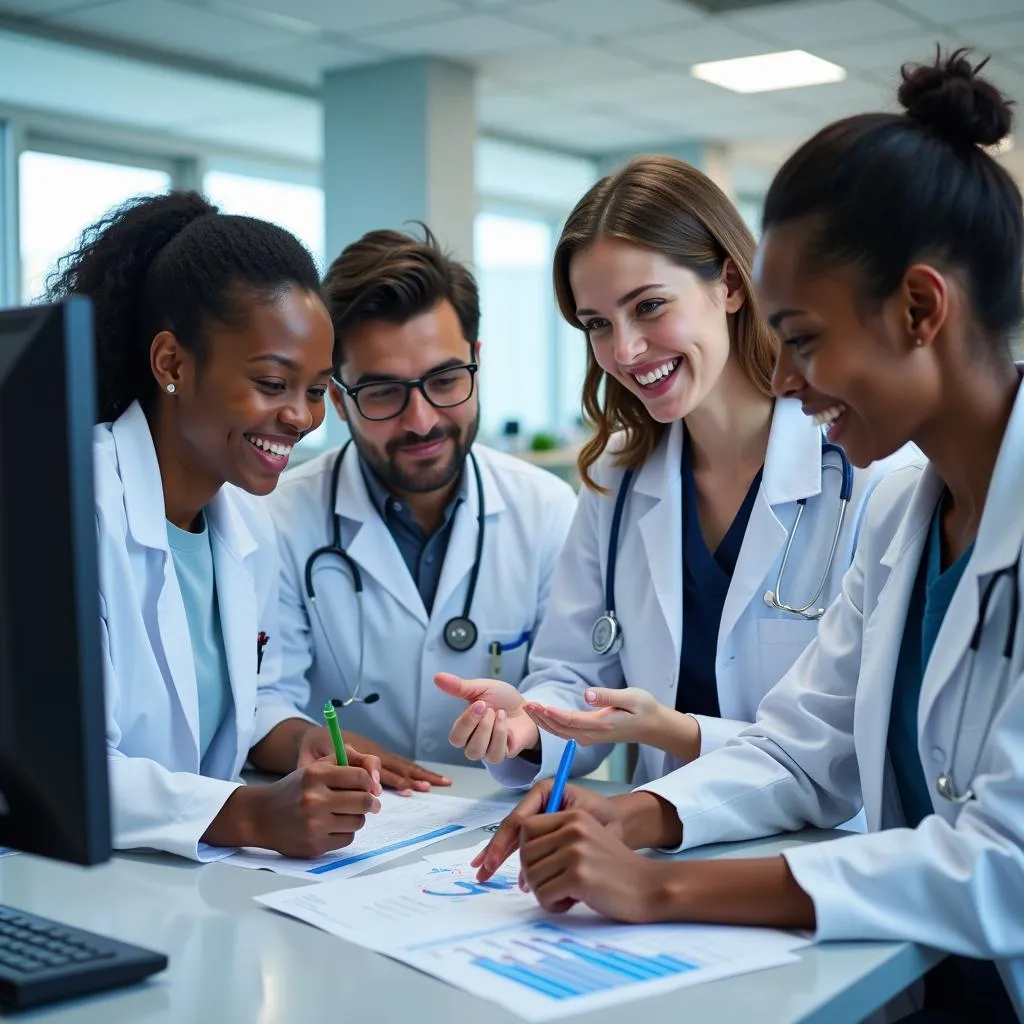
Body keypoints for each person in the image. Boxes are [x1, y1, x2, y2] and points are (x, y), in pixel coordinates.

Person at [473, 51, 1024, 1021]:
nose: (783, 378)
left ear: (920, 308)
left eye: (802, 339)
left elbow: (1001, 865)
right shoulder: (909, 516)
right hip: (908, 980)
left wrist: (657, 885)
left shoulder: (879, 491)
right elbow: (800, 750)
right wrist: (626, 813)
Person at [437, 155, 918, 788]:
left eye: (650, 306)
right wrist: (529, 724)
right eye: (597, 325)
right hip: (655, 852)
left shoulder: (873, 471)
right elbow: (575, 675)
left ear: (730, 283)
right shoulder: (617, 479)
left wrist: (678, 733)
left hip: (813, 860)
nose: (625, 350)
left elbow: (860, 738)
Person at [50, 191, 383, 862]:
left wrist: (298, 744)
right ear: (172, 363)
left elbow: (235, 704)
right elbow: (62, 768)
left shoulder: (244, 523)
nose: (299, 417)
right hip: (72, 889)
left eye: (316, 390)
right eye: (272, 382)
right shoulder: (71, 504)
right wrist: (254, 816)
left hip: (190, 890)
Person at [266, 226, 577, 791]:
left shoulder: (548, 510)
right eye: (384, 392)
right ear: (337, 397)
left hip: (498, 833)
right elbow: (265, 696)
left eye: (444, 379)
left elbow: (575, 689)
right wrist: (306, 741)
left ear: (476, 362)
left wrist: (529, 730)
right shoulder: (281, 517)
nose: (422, 420)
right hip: (342, 830)